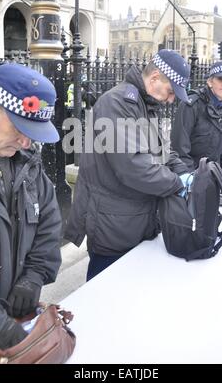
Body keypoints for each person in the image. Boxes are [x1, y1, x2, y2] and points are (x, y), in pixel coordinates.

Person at [65, 49, 193, 280]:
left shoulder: (147, 106)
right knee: (104, 296)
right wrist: (176, 183)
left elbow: (164, 151)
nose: (172, 99)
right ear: (154, 78)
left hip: (136, 219)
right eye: (171, 91)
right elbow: (133, 167)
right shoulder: (117, 104)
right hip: (114, 227)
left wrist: (185, 173)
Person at [0, 63, 62, 361]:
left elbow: (48, 220)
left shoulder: (25, 160)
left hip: (2, 333)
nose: (26, 142)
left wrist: (33, 276)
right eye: (20, 129)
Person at [171, 61, 222, 184]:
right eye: (220, 79)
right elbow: (179, 146)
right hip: (189, 173)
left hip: (212, 174)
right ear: (209, 82)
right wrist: (187, 174)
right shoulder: (191, 105)